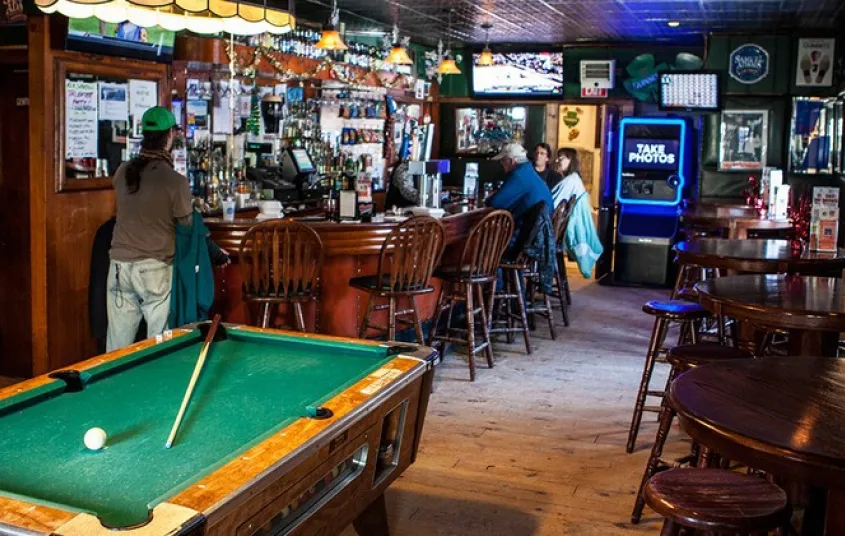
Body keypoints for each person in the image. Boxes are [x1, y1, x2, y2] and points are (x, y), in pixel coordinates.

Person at [107, 106, 192, 351]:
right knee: (158, 349)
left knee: (116, 349)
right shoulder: (175, 181)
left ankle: (112, 390)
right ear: (169, 136)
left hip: (119, 267)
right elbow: (186, 223)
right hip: (154, 269)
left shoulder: (123, 171)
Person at [551, 147, 603, 279]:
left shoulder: (571, 181)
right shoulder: (573, 180)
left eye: (561, 157)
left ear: (571, 161)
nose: (557, 160)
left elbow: (552, 204)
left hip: (554, 234)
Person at [486, 143, 553, 223]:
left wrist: (489, 199)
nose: (501, 164)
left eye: (503, 160)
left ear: (511, 161)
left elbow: (495, 203)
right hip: (541, 227)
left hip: (532, 231)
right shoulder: (527, 169)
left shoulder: (519, 174)